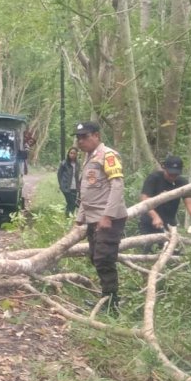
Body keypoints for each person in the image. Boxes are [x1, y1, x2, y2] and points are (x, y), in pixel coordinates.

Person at [74, 121, 127, 311]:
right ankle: (106, 297)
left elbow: (117, 185)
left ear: (96, 136)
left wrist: (108, 216)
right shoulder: (88, 158)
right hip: (92, 217)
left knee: (104, 258)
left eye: (85, 137)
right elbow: (86, 190)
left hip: (107, 218)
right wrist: (80, 216)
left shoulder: (108, 155)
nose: (81, 141)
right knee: (95, 257)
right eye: (78, 138)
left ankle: (111, 304)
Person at [138, 155, 191, 235]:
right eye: (170, 174)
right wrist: (154, 216)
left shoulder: (182, 182)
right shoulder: (154, 178)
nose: (172, 177)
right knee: (148, 246)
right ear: (164, 168)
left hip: (170, 222)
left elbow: (189, 201)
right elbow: (144, 199)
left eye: (175, 175)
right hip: (149, 222)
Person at [57, 147, 81, 216]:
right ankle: (68, 217)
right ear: (68, 154)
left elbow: (77, 176)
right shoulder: (64, 163)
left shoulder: (78, 164)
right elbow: (59, 175)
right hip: (66, 187)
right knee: (72, 203)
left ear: (76, 155)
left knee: (71, 204)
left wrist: (78, 187)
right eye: (71, 153)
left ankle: (69, 217)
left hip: (75, 187)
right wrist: (61, 185)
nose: (72, 155)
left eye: (74, 153)